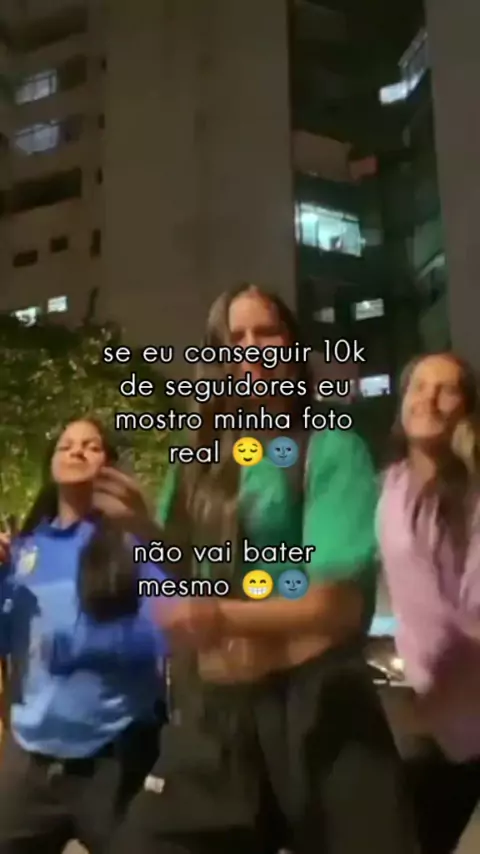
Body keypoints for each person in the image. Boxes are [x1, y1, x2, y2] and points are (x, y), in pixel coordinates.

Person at [106, 283, 418, 854]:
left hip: (319, 713)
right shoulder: (198, 461)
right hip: (214, 721)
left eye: (266, 332)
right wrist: (144, 529)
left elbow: (335, 604)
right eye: (236, 337)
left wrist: (219, 616)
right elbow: (184, 580)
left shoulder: (330, 446)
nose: (251, 348)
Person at [0, 417, 168, 854]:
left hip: (115, 761)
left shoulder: (135, 544)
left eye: (91, 446)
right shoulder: (25, 549)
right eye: (66, 445)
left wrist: (80, 645)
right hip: (29, 764)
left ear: (110, 468)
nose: (76, 451)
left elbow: (169, 631)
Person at [377, 352, 480, 854]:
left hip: (462, 710)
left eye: (446, 389)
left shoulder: (474, 494)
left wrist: (438, 696)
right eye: (418, 387)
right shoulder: (391, 485)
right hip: (419, 710)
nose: (429, 399)